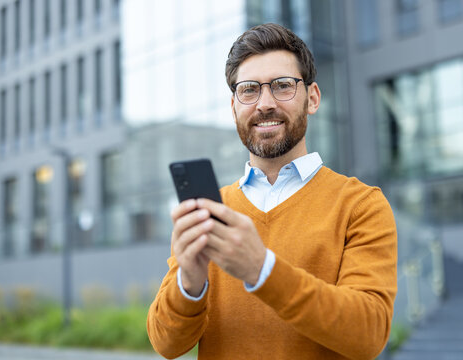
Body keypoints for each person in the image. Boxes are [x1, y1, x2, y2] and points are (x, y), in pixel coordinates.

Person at [147, 23, 397, 360]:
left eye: (282, 86)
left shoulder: (360, 205)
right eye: (249, 89)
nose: (264, 103)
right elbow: (166, 344)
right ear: (234, 105)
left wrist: (261, 269)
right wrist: (190, 282)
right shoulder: (212, 209)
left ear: (312, 98)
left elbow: (368, 334)